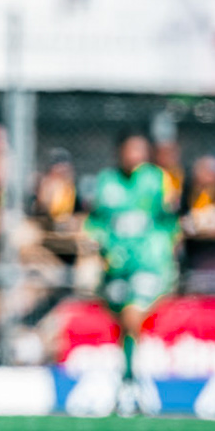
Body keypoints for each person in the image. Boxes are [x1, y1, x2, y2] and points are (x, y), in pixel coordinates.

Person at [84, 130, 179, 410]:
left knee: (131, 316)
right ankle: (129, 379)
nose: (133, 157)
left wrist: (166, 249)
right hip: (116, 267)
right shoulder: (105, 182)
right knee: (121, 325)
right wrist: (95, 241)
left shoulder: (158, 180)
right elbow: (96, 222)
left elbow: (170, 221)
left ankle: (131, 379)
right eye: (129, 150)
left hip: (149, 265)